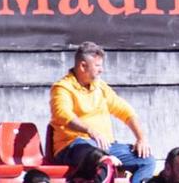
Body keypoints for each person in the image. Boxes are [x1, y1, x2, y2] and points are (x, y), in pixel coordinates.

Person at [47, 43, 154, 183]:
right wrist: (90, 131)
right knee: (103, 160)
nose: (101, 70)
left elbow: (125, 111)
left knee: (147, 160)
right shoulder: (62, 88)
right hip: (74, 146)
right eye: (97, 66)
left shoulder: (100, 87)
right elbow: (63, 115)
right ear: (83, 66)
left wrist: (141, 138)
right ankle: (103, 162)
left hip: (106, 146)